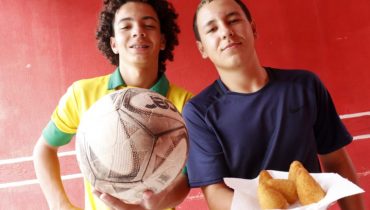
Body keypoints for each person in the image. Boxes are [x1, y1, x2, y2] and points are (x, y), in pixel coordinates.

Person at [182, 0, 365, 209]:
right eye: (212, 29)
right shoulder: (199, 112)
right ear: (202, 48)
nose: (225, 32)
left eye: (233, 20)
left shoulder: (304, 85)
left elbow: (336, 161)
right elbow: (214, 192)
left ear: (252, 29)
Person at [32, 0, 192, 210]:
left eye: (149, 25)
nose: (138, 32)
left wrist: (150, 207)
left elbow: (190, 177)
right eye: (126, 26)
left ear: (162, 40)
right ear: (114, 43)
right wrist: (59, 204)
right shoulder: (82, 94)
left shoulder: (187, 106)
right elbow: (44, 148)